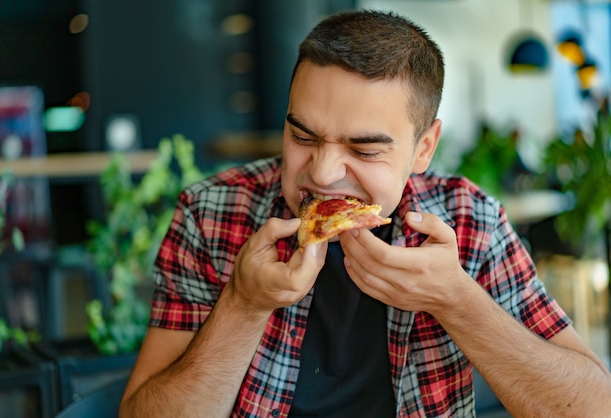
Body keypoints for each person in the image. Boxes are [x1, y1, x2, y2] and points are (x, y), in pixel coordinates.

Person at [119, 9, 611, 417]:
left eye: (365, 149)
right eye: (303, 136)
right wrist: (243, 306)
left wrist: (457, 301)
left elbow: (594, 407)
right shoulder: (211, 213)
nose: (324, 173)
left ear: (423, 149)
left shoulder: (470, 220)